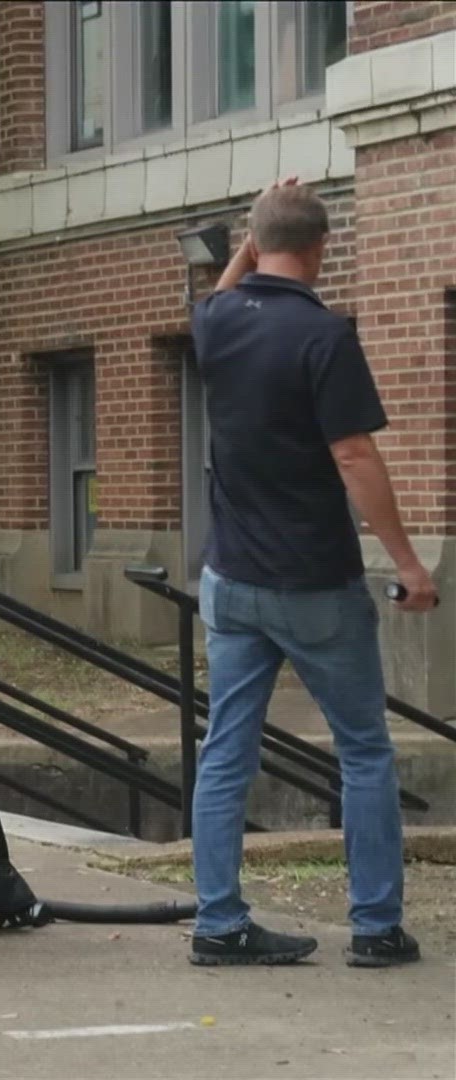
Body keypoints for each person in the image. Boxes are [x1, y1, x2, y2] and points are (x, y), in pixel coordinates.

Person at [187, 177, 437, 968]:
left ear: (257, 247)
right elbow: (354, 453)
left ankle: (219, 924)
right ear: (323, 248)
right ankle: (375, 929)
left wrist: (244, 250)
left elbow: (220, 298)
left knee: (226, 749)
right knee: (362, 749)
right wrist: (406, 561)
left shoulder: (218, 321)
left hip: (231, 581)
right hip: (316, 584)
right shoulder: (325, 336)